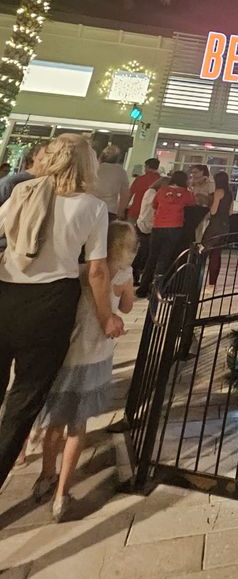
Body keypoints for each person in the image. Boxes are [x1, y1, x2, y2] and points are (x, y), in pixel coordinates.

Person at [0, 134, 124, 488]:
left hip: (6, 292)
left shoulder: (23, 192)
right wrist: (106, 316)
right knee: (25, 397)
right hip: (50, 304)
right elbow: (98, 270)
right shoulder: (92, 207)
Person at [33, 221, 137, 519]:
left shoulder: (79, 271)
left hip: (66, 354)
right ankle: (61, 492)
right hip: (95, 356)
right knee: (77, 427)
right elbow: (128, 306)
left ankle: (45, 475)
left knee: (54, 423)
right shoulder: (123, 274)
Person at [135, 171, 195, 297]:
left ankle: (143, 287)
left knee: (152, 257)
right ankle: (157, 289)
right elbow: (192, 206)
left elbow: (154, 205)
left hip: (158, 227)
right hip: (174, 228)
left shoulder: (162, 191)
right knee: (164, 258)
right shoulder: (186, 194)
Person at [203, 172, 233, 295]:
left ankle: (202, 281)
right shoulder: (230, 193)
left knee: (205, 251)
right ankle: (212, 283)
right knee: (217, 254)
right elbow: (231, 211)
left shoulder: (218, 192)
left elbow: (213, 211)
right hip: (225, 225)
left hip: (215, 225)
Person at [94, 144, 129, 221]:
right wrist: (120, 211)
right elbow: (125, 195)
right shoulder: (121, 172)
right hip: (109, 210)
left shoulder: (94, 168)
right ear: (118, 158)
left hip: (91, 208)